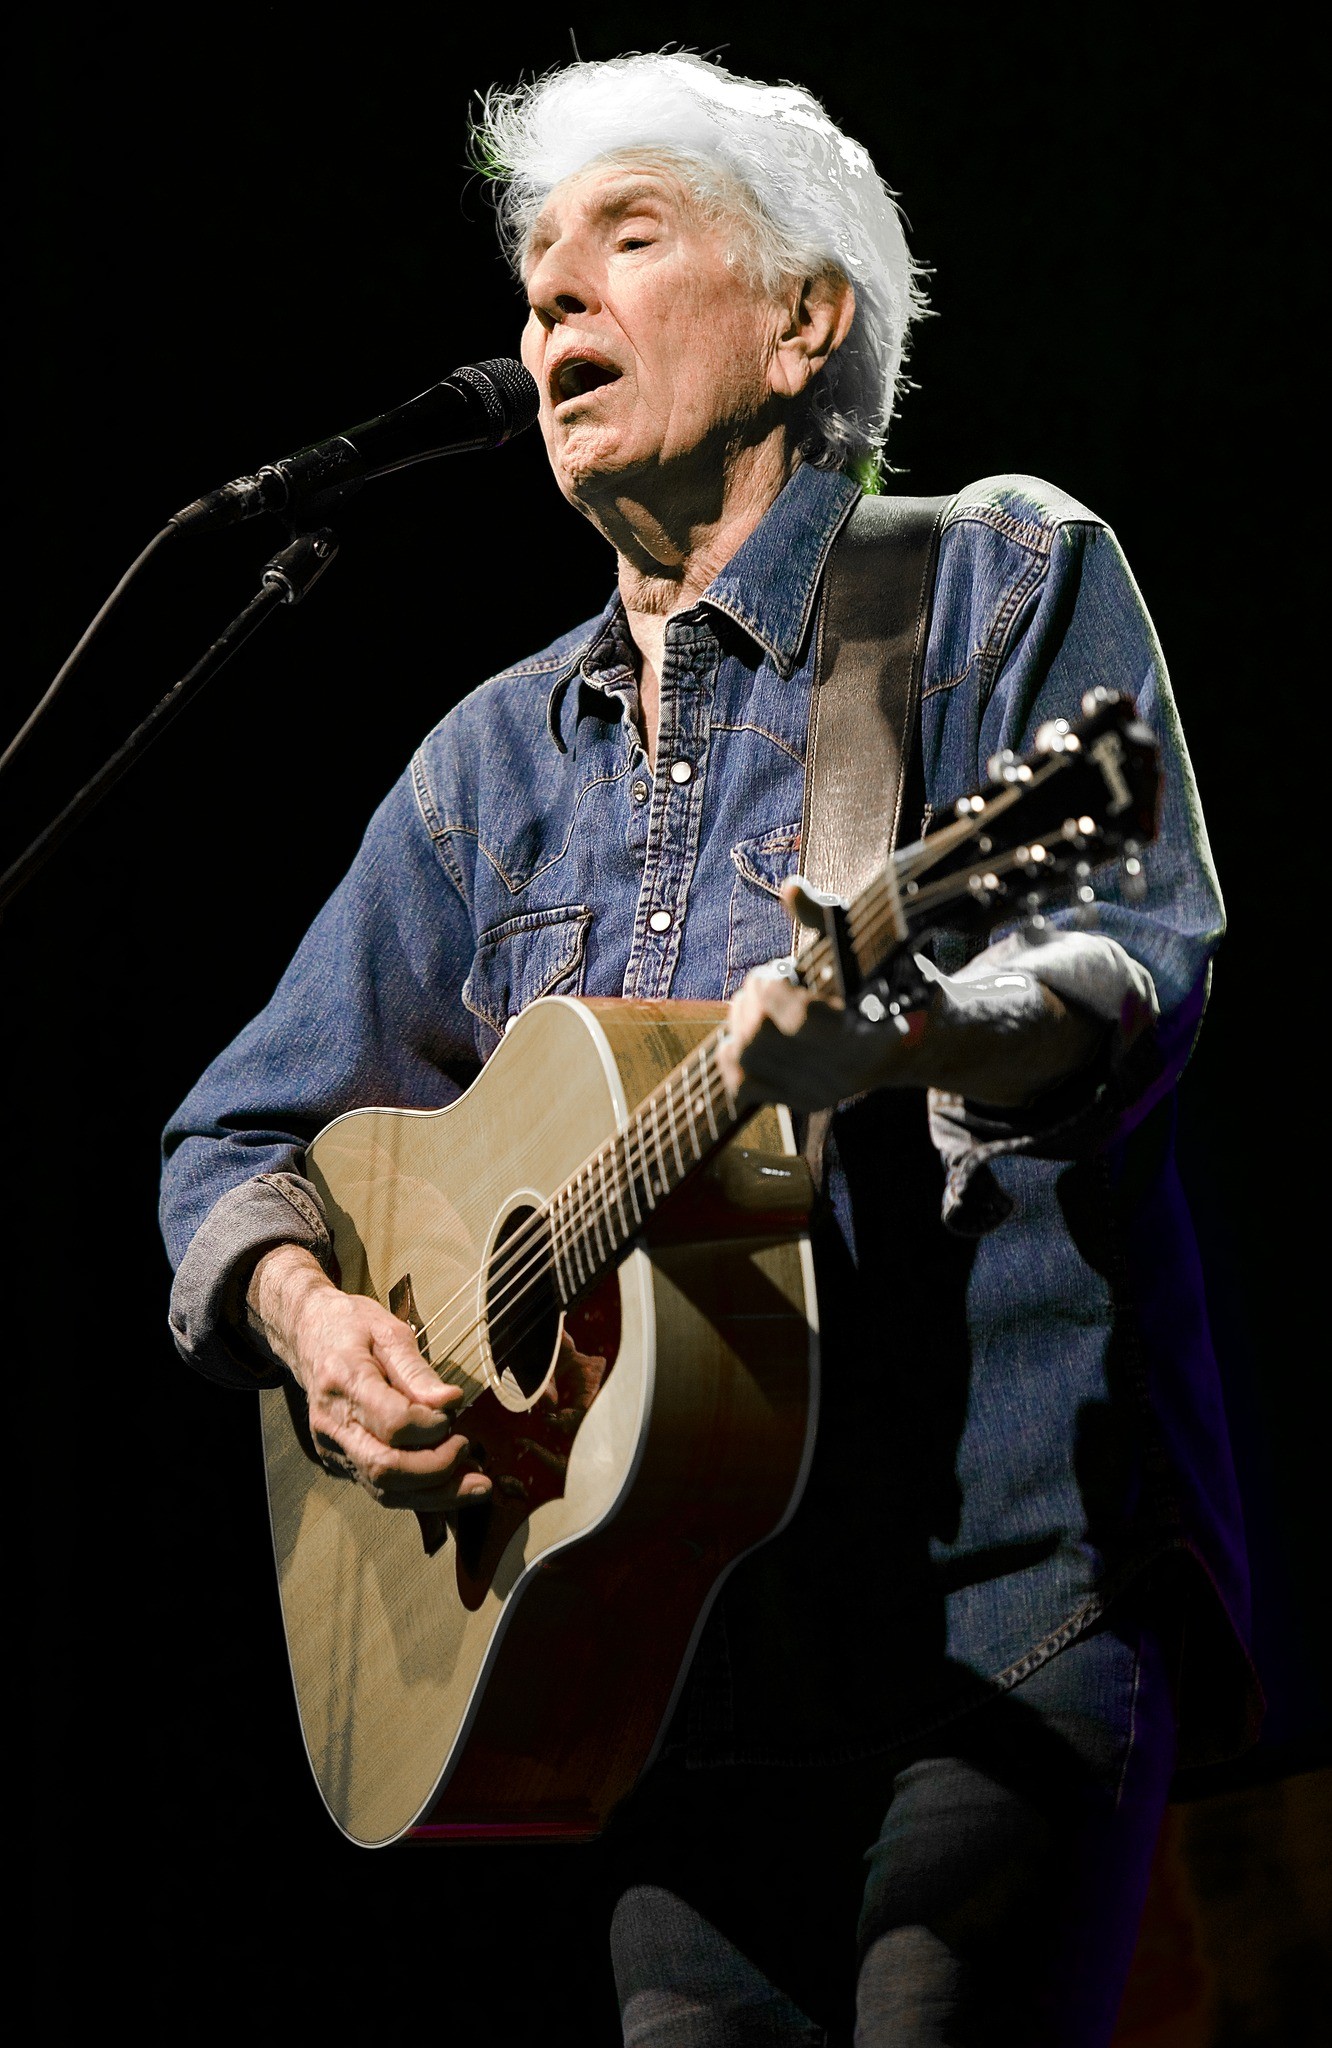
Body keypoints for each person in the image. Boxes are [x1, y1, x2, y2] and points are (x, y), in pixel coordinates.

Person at [159, 51, 1259, 2045]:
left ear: (802, 322)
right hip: (658, 1677)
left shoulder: (990, 579)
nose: (546, 300)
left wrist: (914, 1028)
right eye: (534, 273)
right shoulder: (488, 766)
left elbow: (1138, 968)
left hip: (1001, 1611)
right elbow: (234, 1137)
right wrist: (316, 1323)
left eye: (628, 237)